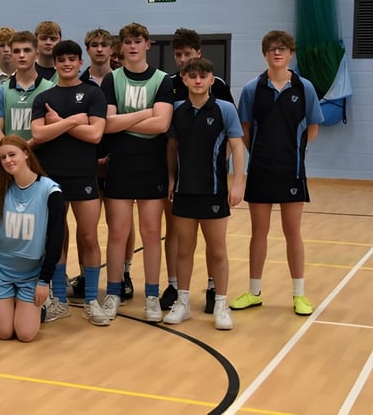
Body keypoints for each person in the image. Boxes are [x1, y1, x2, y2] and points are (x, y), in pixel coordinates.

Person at [230, 30, 324, 316]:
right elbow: (244, 130)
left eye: (282, 48)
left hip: (292, 170)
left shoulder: (304, 87)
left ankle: (299, 294)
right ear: (265, 54)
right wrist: (260, 153)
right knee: (259, 232)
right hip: (260, 170)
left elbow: (313, 128)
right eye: (272, 49)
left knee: (292, 232)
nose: (277, 53)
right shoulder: (251, 89)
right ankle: (254, 291)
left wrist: (293, 152)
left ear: (290, 53)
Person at [31, 40, 108, 326]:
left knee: (89, 236)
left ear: (79, 62)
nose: (66, 63)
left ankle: (90, 300)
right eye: (61, 59)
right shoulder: (44, 96)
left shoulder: (93, 93)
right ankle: (59, 300)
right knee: (57, 238)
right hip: (52, 178)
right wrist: (74, 121)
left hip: (84, 177)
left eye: (71, 59)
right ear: (55, 62)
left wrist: (58, 123)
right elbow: (38, 135)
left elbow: (96, 135)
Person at [100, 22, 174, 323]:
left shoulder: (162, 80)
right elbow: (107, 124)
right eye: (127, 41)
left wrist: (124, 120)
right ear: (122, 46)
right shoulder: (111, 79)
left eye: (138, 41)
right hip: (121, 164)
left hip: (152, 164)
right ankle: (114, 292)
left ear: (148, 44)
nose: (132, 46)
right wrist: (147, 113)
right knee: (118, 233)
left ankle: (152, 295)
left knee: (152, 232)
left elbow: (162, 125)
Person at [163, 58, 244, 330]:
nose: (198, 80)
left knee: (217, 250)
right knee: (184, 249)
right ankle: (183, 303)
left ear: (212, 80)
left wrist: (238, 182)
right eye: (192, 76)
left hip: (214, 192)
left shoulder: (225, 110)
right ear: (184, 79)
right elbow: (172, 149)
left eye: (203, 76)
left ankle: (221, 303)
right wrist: (172, 179)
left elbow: (238, 146)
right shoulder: (176, 111)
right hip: (185, 192)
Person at [70, 28, 136, 305]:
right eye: (94, 45)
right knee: (86, 224)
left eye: (104, 45)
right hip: (85, 159)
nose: (99, 49)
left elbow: (123, 120)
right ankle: (87, 274)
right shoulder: (76, 80)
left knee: (121, 222)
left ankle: (124, 273)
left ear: (113, 49)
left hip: (117, 158)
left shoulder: (121, 80)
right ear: (87, 50)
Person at [0, 135, 64, 342]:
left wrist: (44, 281)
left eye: (12, 154)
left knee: (25, 334)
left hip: (32, 273)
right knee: (3, 333)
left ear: (26, 154)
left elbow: (56, 240)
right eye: (3, 157)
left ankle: (34, 307)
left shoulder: (50, 191)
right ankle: (10, 303)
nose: (8, 161)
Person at [0, 31, 54, 148]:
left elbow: (51, 130)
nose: (21, 55)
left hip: (42, 159)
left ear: (36, 53)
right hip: (11, 160)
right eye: (16, 51)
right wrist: (12, 152)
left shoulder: (50, 89)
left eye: (27, 50)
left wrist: (26, 149)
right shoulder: (1, 91)